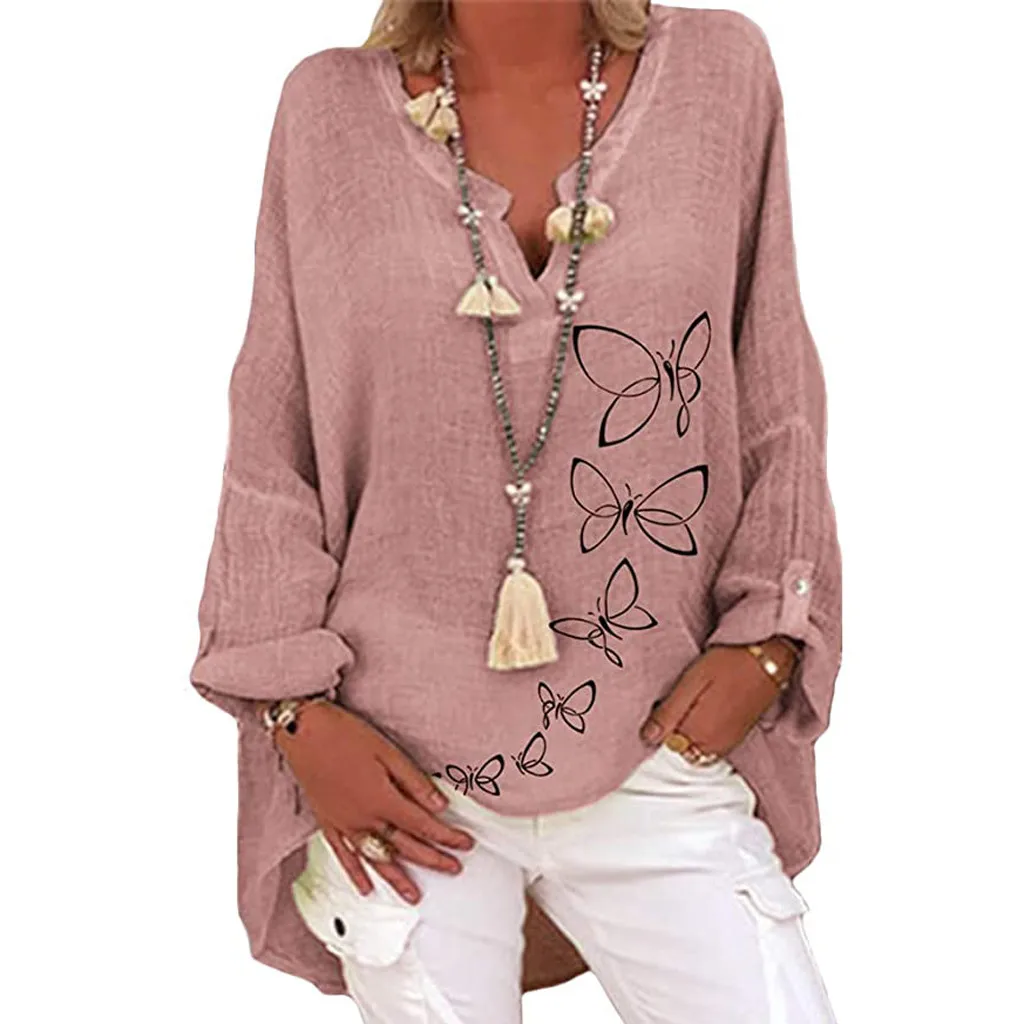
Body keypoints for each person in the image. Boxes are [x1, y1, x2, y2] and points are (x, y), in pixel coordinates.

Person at [188, 2, 843, 1021]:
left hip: (657, 728)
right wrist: (294, 713)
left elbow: (773, 383)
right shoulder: (328, 111)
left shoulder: (719, 73)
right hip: (392, 767)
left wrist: (772, 632)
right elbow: (275, 427)